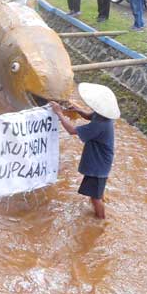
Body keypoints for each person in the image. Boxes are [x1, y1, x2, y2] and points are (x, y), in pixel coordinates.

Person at [49, 83, 119, 219]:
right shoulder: (102, 116)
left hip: (99, 165)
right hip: (101, 161)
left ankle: (100, 220)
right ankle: (101, 202)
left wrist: (59, 113)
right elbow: (88, 116)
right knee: (97, 193)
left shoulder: (100, 125)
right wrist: (77, 109)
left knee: (95, 198)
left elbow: (72, 130)